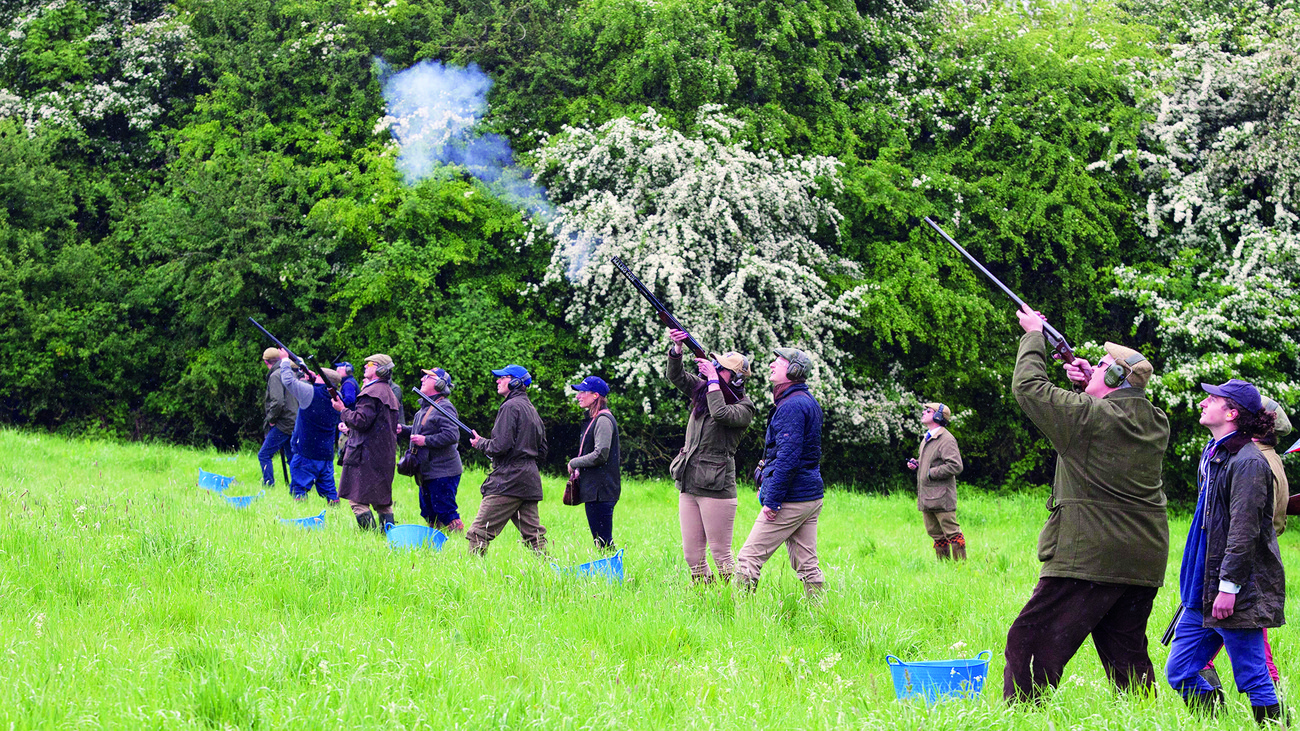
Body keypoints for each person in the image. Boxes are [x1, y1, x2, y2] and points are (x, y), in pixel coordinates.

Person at [1003, 303, 1171, 703]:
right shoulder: (1155, 421)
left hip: (1090, 555)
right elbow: (1105, 419)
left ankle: (1022, 719)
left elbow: (1028, 388)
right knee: (1127, 657)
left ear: (1114, 376)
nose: (1091, 368)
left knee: (1028, 641)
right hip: (1142, 559)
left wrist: (1032, 335)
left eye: (1099, 366)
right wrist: (1087, 384)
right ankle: (1143, 720)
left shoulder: (1089, 419)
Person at [1166, 379, 1285, 725]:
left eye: (1212, 399)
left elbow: (1243, 533)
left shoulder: (1248, 463)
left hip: (1234, 593)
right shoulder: (1216, 453)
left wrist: (1228, 588)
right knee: (1181, 670)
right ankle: (1218, 723)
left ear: (1232, 412)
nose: (1203, 403)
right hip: (1201, 593)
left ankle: (1276, 725)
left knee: (1253, 677)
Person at [665, 328, 757, 584]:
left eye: (721, 367)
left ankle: (736, 601)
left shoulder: (744, 407)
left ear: (736, 378)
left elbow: (721, 414)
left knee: (721, 555)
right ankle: (706, 603)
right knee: (692, 555)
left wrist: (713, 380)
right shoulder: (706, 391)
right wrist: (677, 351)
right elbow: (676, 377)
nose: (714, 367)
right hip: (689, 480)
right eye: (715, 364)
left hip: (717, 487)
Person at [735, 348, 825, 597]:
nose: (772, 364)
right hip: (810, 495)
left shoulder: (792, 406)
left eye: (780, 361)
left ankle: (739, 619)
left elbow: (788, 458)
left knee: (748, 558)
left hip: (792, 497)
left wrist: (772, 500)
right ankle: (820, 616)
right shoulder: (806, 401)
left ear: (794, 370)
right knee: (807, 564)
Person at [466, 364, 549, 555]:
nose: (498, 380)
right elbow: (543, 450)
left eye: (503, 377)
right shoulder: (531, 409)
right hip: (528, 480)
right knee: (534, 538)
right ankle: (550, 572)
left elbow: (500, 446)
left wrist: (481, 443)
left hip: (508, 480)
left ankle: (472, 576)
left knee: (478, 533)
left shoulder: (510, 407)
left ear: (516, 382)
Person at [331, 354, 401, 531]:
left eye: (370, 364)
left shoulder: (371, 393)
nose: (365, 367)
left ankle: (371, 535)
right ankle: (389, 536)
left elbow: (361, 421)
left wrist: (343, 410)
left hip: (366, 456)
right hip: (382, 455)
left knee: (357, 500)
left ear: (380, 369)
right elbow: (374, 425)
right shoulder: (388, 393)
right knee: (382, 501)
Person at [397, 367, 464, 532]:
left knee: (445, 511)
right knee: (428, 512)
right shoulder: (427, 407)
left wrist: (425, 441)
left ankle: (458, 541)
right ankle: (435, 542)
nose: (422, 380)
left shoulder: (445, 407)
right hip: (428, 470)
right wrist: (404, 430)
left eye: (427, 377)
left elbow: (452, 435)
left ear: (440, 384)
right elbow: (423, 429)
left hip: (443, 470)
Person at [272, 350, 341, 504]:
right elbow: (317, 387)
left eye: (318, 375)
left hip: (306, 452)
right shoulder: (338, 398)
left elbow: (289, 381)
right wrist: (309, 375)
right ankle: (336, 516)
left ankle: (301, 516)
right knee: (330, 492)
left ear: (324, 380)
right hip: (326, 453)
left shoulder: (310, 393)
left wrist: (284, 361)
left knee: (299, 489)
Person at [566, 376, 621, 551]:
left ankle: (614, 576)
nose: (578, 396)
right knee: (600, 541)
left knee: (604, 542)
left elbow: (601, 454)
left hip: (601, 491)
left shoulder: (603, 420)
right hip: (596, 491)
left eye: (583, 392)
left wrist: (575, 462)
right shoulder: (595, 419)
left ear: (595, 395)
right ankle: (607, 575)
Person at [907, 402, 966, 560]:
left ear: (938, 416)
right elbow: (931, 462)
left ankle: (961, 569)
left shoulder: (946, 439)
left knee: (952, 533)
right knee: (936, 534)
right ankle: (944, 570)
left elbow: (955, 466)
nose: (923, 413)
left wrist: (930, 472)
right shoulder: (927, 438)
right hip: (927, 496)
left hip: (942, 497)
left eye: (928, 411)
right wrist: (917, 464)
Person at [258, 347, 298, 487]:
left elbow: (278, 402)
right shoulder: (289, 373)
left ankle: (269, 485)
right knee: (291, 457)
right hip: (294, 420)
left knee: (264, 455)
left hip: (283, 423)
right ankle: (298, 487)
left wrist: (271, 419)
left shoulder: (275, 376)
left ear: (265, 361)